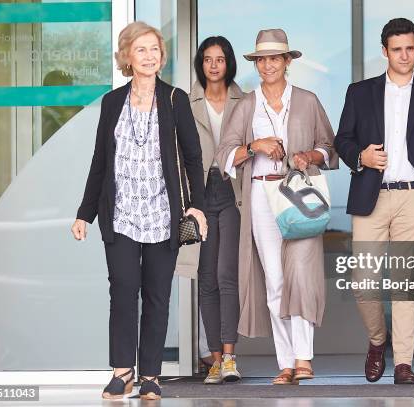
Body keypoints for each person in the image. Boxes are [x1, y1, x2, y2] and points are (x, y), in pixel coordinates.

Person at [71, 21, 207, 400]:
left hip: (164, 215)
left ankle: (150, 375)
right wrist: (85, 213)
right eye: (141, 50)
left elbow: (194, 158)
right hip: (121, 213)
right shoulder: (113, 102)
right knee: (123, 292)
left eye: (154, 50)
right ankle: (122, 371)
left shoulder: (176, 99)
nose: (149, 56)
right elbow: (101, 160)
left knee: (157, 295)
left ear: (162, 57)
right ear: (127, 57)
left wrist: (196, 207)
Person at [334, 18, 414, 385]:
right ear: (385, 51)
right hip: (370, 197)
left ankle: (403, 362)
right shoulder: (360, 93)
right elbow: (342, 139)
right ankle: (378, 341)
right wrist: (361, 157)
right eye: (397, 49)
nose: (405, 55)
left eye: (410, 48)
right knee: (363, 281)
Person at [215, 28, 338, 385]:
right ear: (256, 64)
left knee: (300, 273)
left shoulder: (308, 100)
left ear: (287, 62)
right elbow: (225, 155)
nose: (268, 65)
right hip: (260, 197)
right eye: (262, 59)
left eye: (275, 58)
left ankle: (304, 358)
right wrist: (255, 146)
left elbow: (330, 149)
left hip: (298, 194)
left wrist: (308, 155)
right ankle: (286, 362)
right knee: (275, 281)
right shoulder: (245, 105)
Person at [189, 36, 244, 384]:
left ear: (228, 63)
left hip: (231, 189)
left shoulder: (245, 100)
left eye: (220, 59)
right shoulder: (185, 100)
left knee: (227, 275)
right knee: (205, 276)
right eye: (208, 59)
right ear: (201, 64)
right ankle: (212, 358)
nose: (213, 65)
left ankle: (229, 358)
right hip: (200, 191)